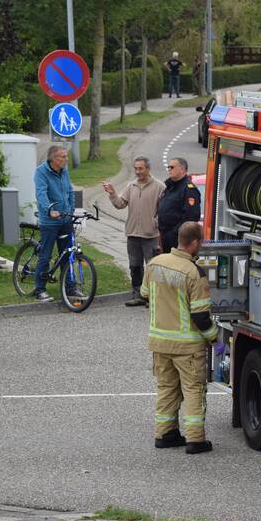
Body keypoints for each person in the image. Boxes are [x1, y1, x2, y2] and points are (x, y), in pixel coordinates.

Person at [141, 221, 217, 454]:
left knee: (166, 388)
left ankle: (165, 434)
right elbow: (201, 317)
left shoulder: (155, 264)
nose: (201, 245)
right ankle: (195, 439)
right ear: (194, 243)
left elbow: (145, 295)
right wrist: (215, 338)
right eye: (201, 241)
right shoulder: (194, 272)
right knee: (194, 389)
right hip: (187, 346)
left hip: (160, 342)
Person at [103, 156, 165, 307]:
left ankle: (153, 297)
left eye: (140, 169)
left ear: (148, 169)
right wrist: (112, 193)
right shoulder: (131, 186)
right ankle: (137, 295)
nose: (138, 172)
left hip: (150, 235)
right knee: (135, 266)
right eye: (136, 169)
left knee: (152, 267)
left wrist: (155, 223)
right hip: (132, 234)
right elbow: (120, 204)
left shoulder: (159, 187)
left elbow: (164, 211)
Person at [33, 145, 76, 302]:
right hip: (50, 222)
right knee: (46, 255)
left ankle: (70, 287)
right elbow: (41, 193)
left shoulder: (64, 171)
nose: (66, 159)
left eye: (66, 156)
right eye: (62, 157)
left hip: (65, 219)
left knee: (68, 255)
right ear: (53, 159)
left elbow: (70, 191)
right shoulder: (41, 172)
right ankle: (40, 289)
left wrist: (71, 210)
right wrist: (49, 209)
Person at [157, 157, 201, 254]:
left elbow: (191, 216)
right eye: (168, 167)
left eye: (172, 167)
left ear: (182, 169)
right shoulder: (169, 187)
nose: (169, 169)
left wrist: (175, 233)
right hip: (164, 236)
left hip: (178, 238)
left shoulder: (189, 189)